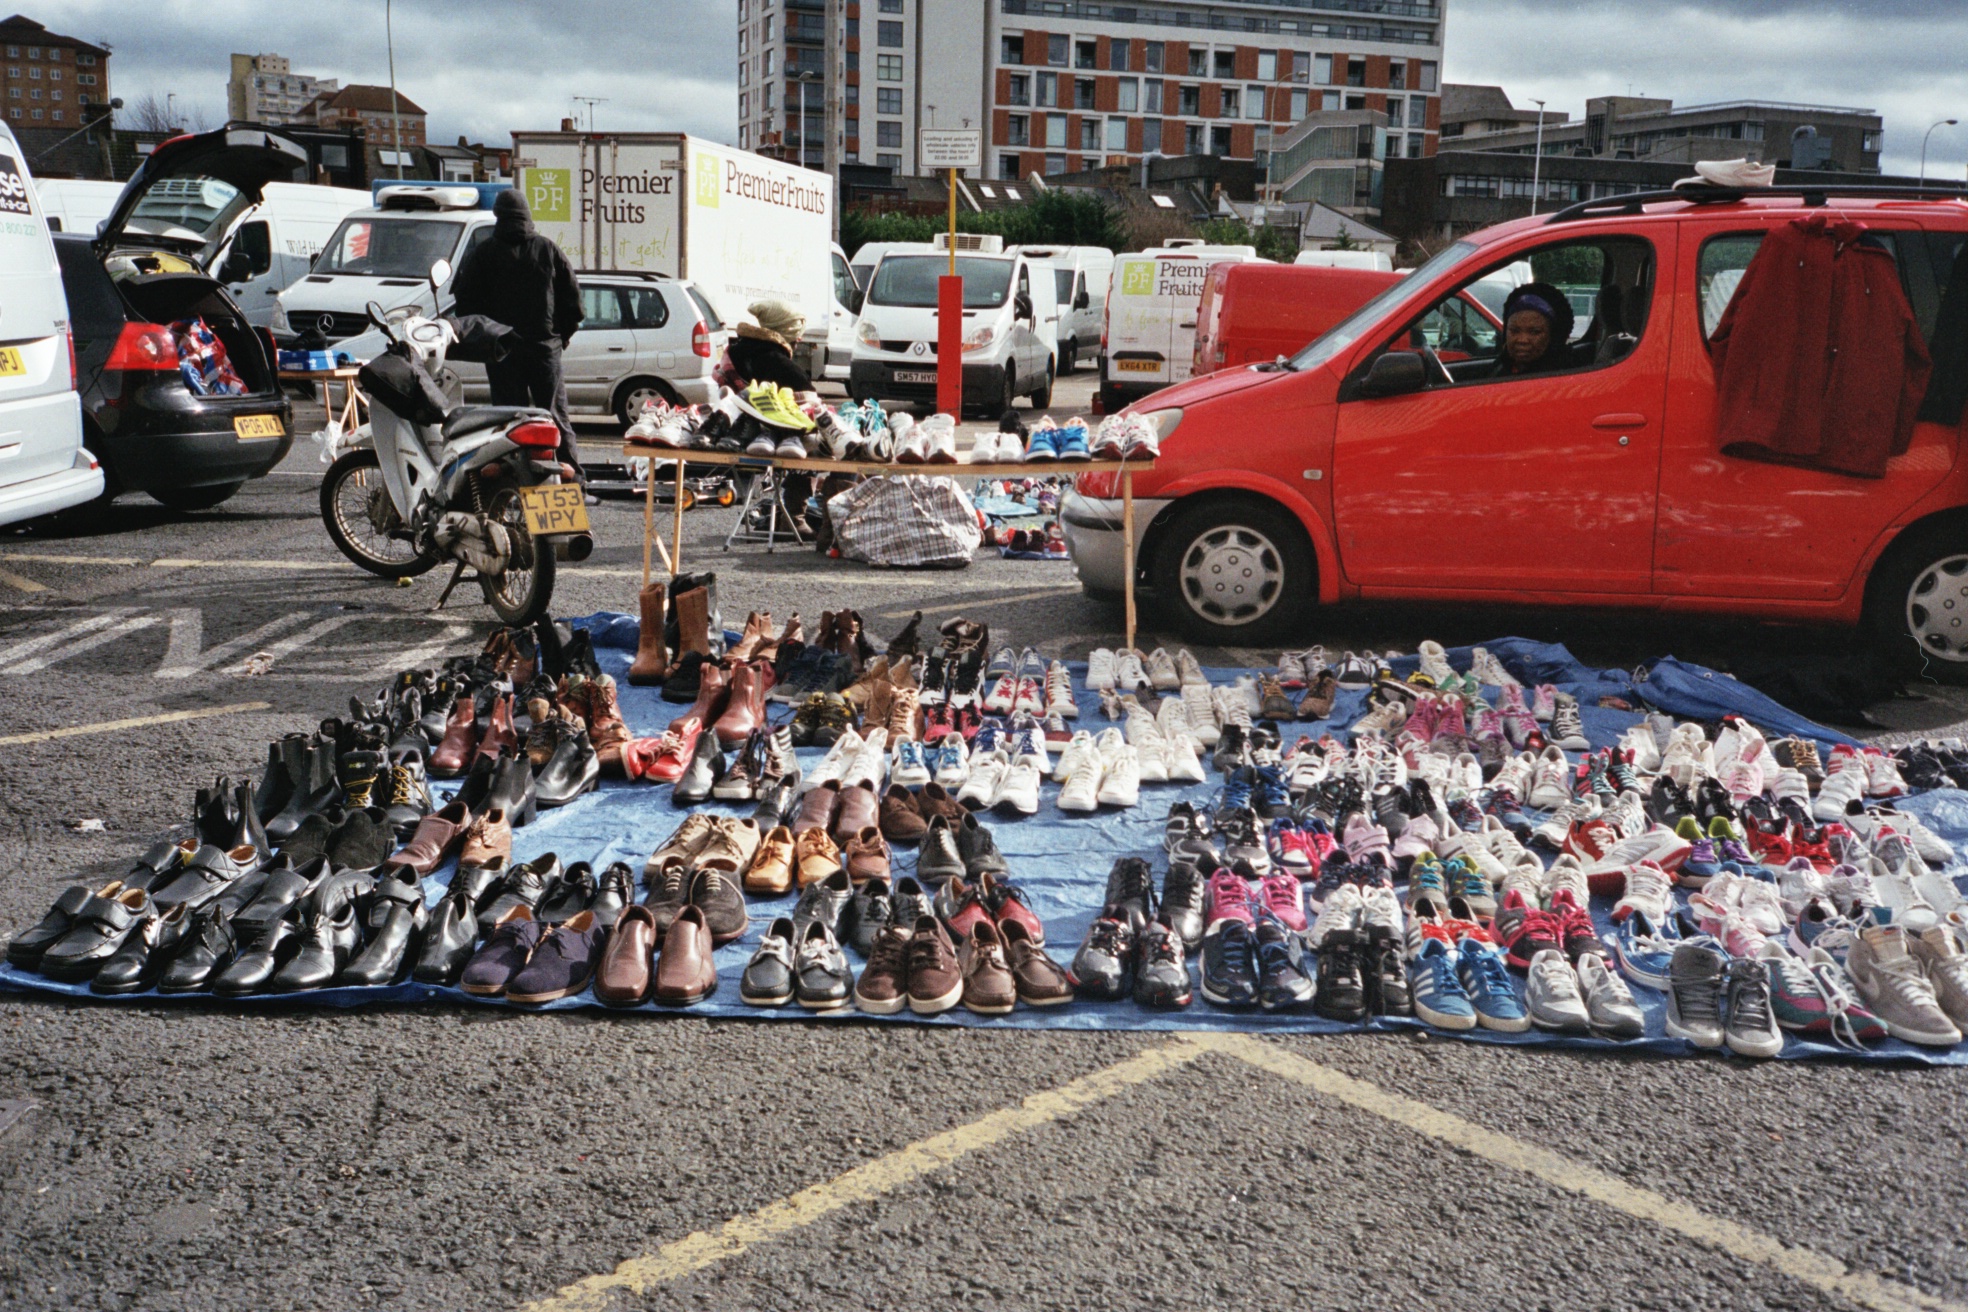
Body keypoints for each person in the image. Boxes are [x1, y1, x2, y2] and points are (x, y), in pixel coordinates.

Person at [450, 190, 586, 480]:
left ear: (498, 215)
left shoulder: (482, 254)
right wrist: (558, 338)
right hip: (544, 351)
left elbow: (466, 308)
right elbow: (574, 305)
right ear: (527, 215)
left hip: (503, 351)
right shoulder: (548, 250)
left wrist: (488, 340)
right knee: (555, 416)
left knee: (508, 421)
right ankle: (576, 484)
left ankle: (511, 482)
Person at [1489, 281, 1576, 377]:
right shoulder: (1501, 366)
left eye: (1534, 332)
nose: (1522, 340)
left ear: (1553, 335)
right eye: (1514, 331)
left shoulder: (1562, 375)